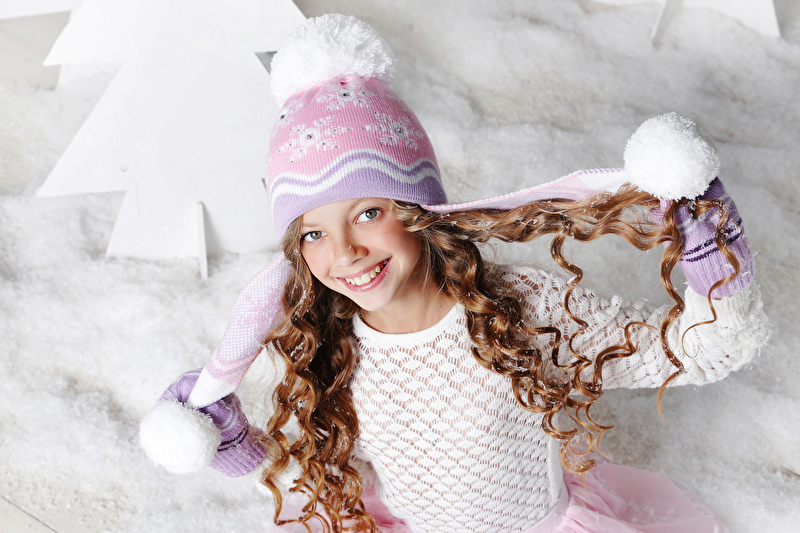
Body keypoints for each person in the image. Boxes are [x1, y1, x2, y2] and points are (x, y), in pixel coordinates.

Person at [139, 14, 769, 533]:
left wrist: (714, 252)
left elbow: (708, 349)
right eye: (313, 233)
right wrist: (234, 445)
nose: (346, 251)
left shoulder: (524, 310)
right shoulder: (326, 346)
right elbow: (322, 477)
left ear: (421, 211)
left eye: (368, 212)